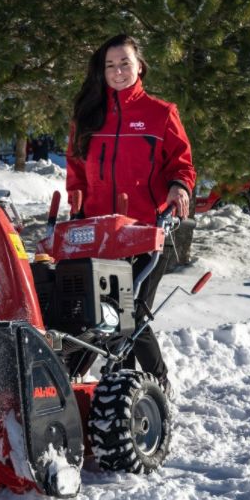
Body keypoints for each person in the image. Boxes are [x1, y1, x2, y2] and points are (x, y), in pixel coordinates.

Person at [66, 34, 196, 396]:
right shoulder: (88, 115)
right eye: (110, 65)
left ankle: (157, 388)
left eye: (125, 63)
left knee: (131, 314)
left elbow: (182, 164)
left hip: (146, 232)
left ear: (140, 65)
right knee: (104, 316)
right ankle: (120, 392)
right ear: (101, 71)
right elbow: (75, 170)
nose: (118, 71)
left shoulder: (160, 113)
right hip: (98, 233)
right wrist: (75, 209)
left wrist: (179, 187)